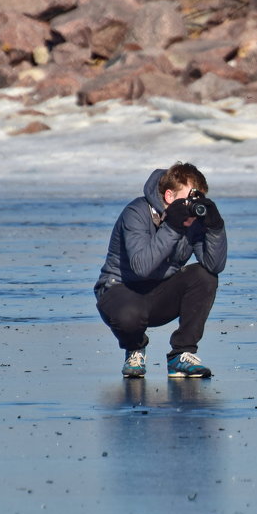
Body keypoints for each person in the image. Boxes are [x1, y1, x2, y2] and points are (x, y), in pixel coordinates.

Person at [94, 162, 227, 378]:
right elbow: (142, 267)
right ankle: (135, 347)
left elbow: (214, 265)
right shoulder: (136, 213)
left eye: (197, 199)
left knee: (204, 276)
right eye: (188, 199)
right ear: (168, 196)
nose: (192, 205)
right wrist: (173, 227)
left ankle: (181, 354)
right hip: (119, 290)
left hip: (158, 295)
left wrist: (215, 227)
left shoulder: (190, 221)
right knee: (129, 315)